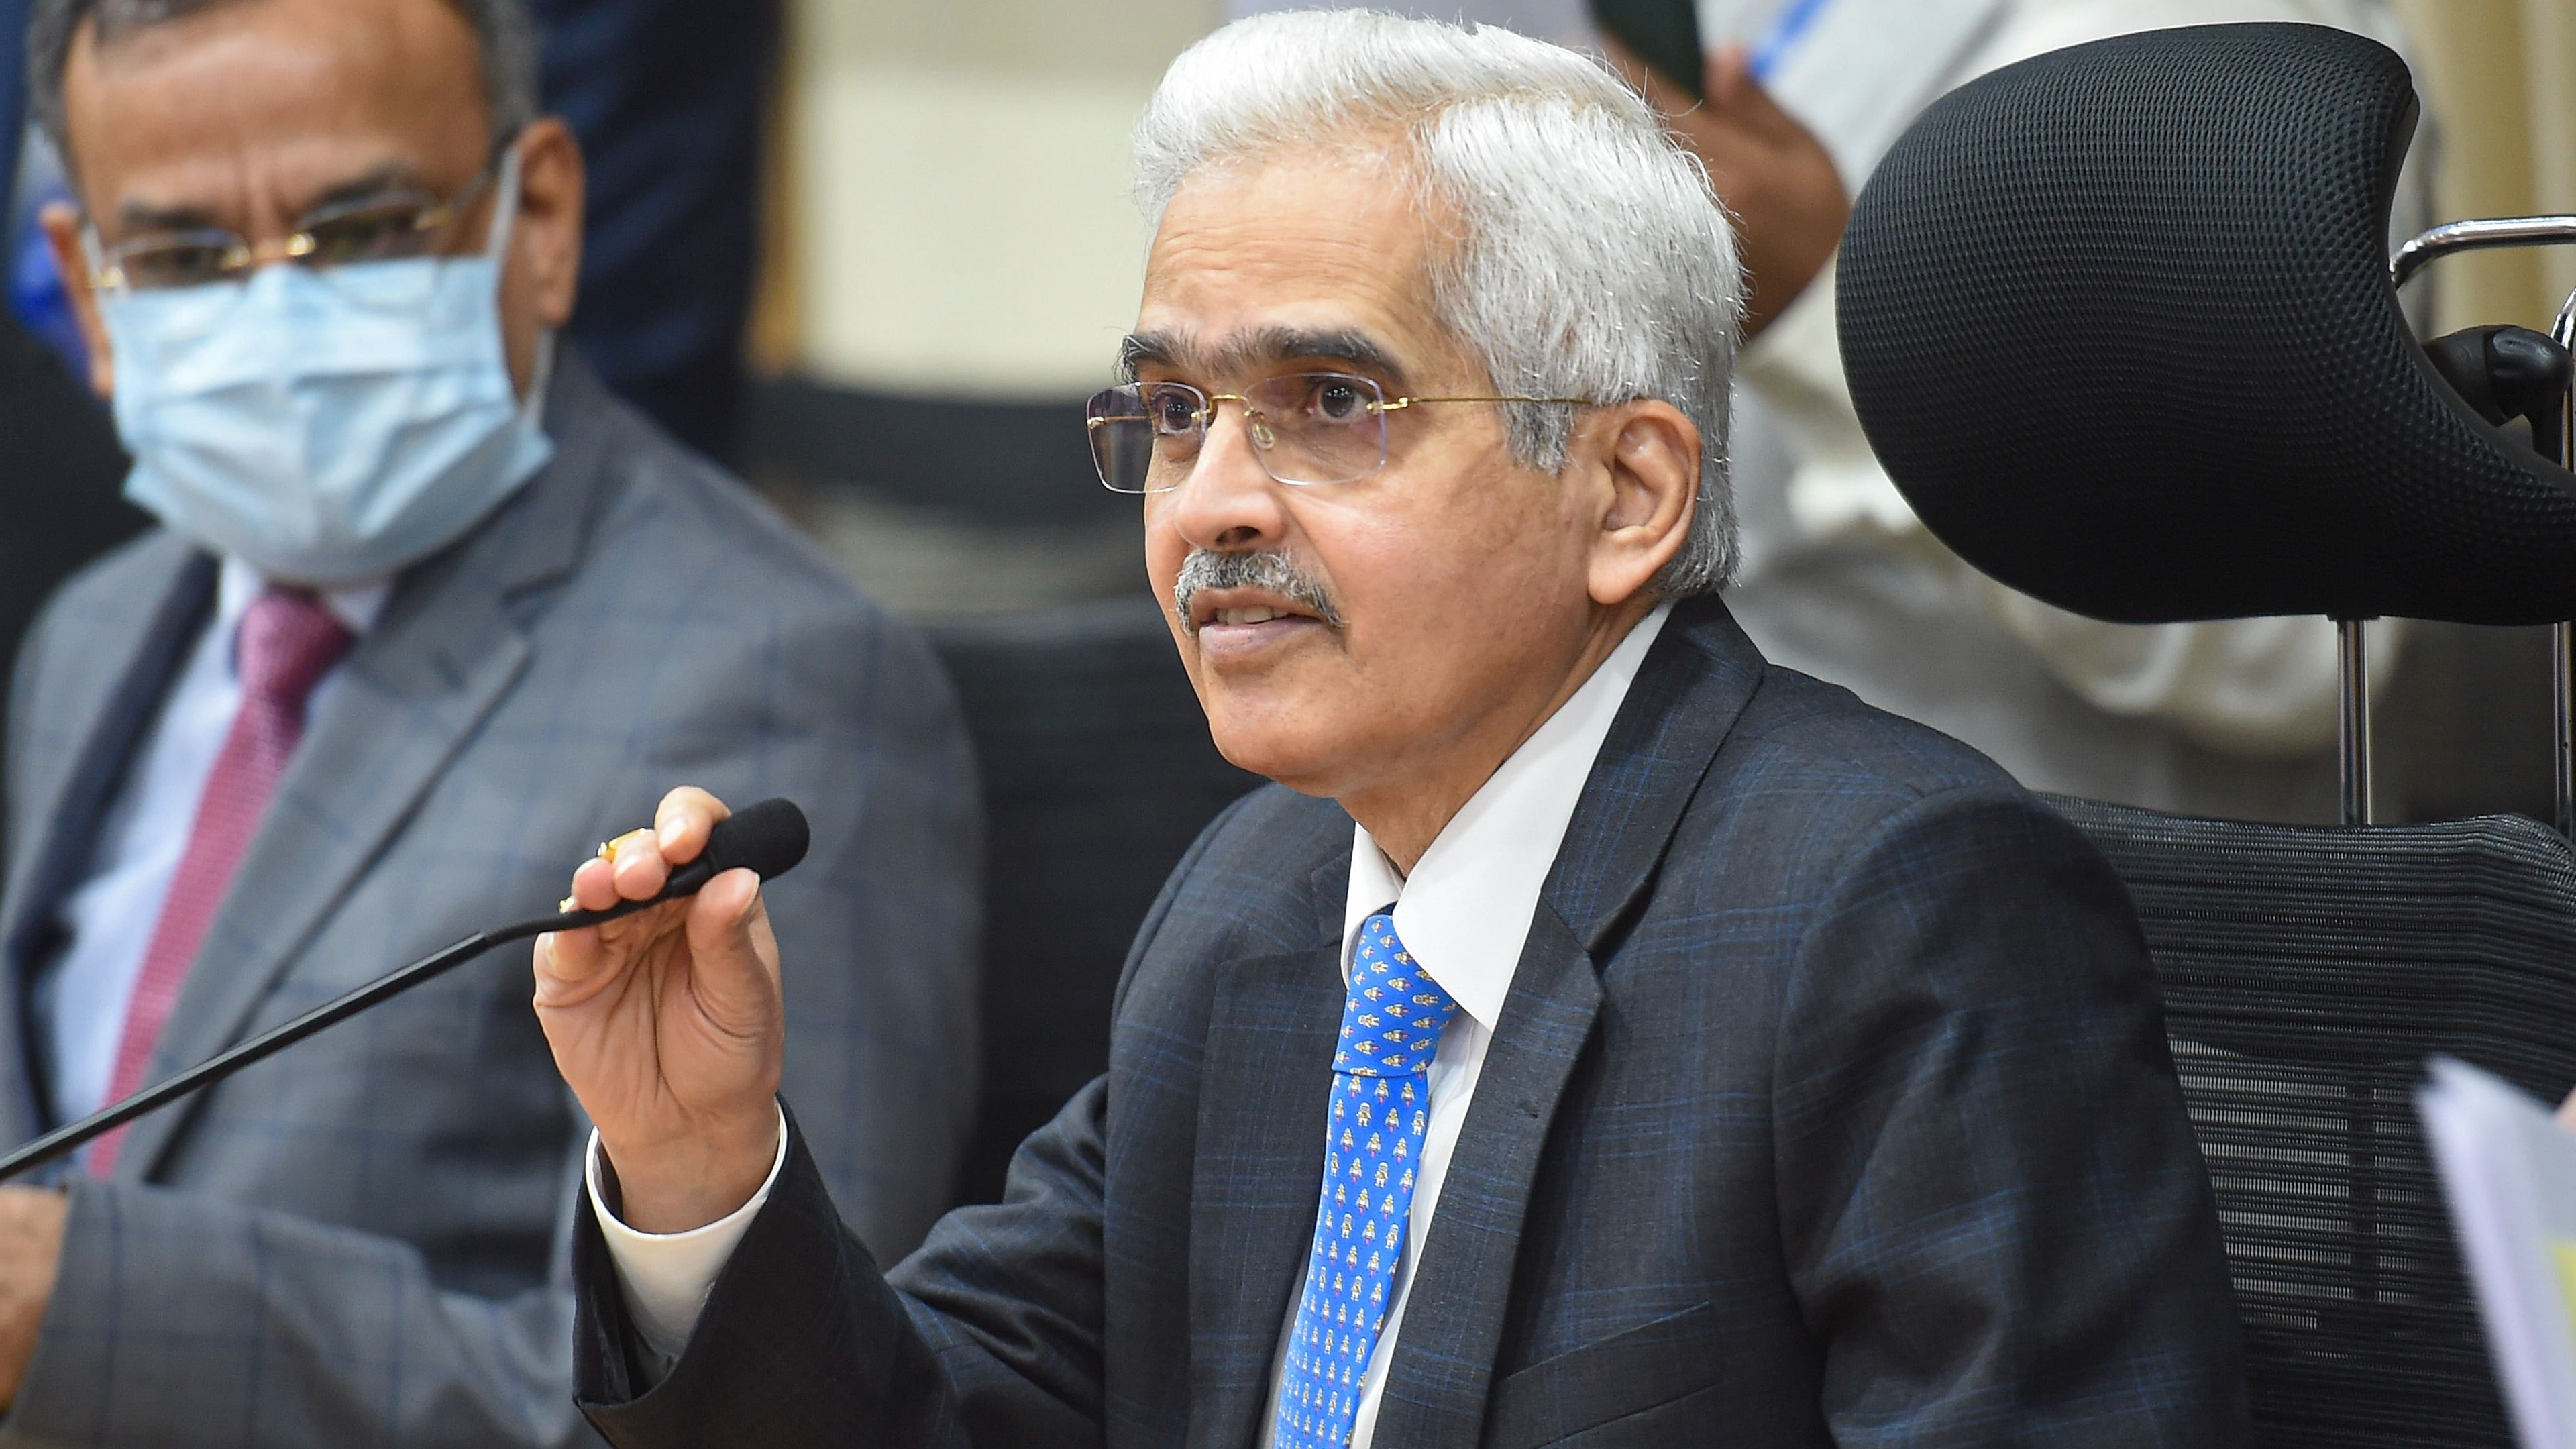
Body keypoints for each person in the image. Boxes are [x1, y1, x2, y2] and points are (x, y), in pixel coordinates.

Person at [539, 13, 2251, 1446]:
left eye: (1331, 404)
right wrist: (698, 1171)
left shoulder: (1897, 918)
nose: (1208, 504)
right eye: (1174, 411)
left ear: (1628, 488)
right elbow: (950, 1418)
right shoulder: (1256, 907)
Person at [0, 0, 980, 1442]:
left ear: (543, 217)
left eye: (365, 228)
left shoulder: (782, 681)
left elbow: (786, 1394)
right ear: (89, 291)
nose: (279, 315)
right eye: (190, 258)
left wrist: (83, 1310)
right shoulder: (88, 636)